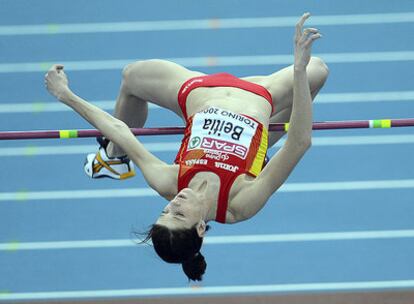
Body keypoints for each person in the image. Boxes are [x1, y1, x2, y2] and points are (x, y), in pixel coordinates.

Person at [45, 13, 328, 281]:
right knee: (318, 70)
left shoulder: (167, 181)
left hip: (196, 91)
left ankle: (112, 159)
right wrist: (299, 70)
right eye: (178, 214)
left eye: (164, 211)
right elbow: (300, 141)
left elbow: (121, 130)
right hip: (261, 94)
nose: (173, 204)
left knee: (131, 76)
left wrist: (66, 95)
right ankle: (261, 147)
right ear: (201, 227)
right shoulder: (240, 204)